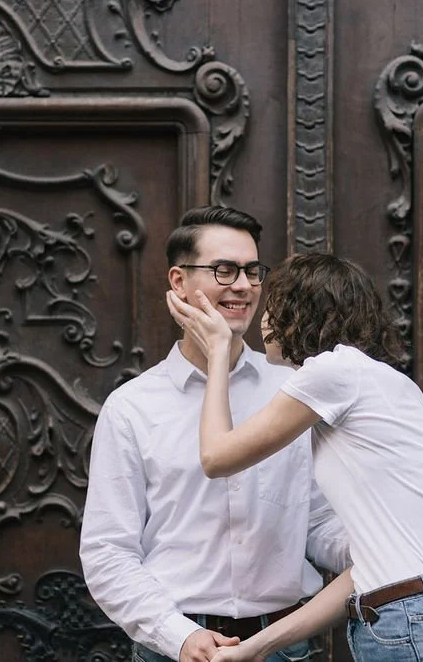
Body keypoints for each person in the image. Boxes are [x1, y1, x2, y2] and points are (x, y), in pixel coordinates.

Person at [167, 252, 423, 662]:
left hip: (411, 624)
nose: (263, 320)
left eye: (273, 306)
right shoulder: (389, 387)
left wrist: (218, 352)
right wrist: (252, 649)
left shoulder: (333, 371)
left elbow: (217, 457)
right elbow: (363, 576)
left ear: (298, 312)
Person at [80, 208, 351, 662]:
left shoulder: (294, 388)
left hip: (285, 645)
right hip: (173, 648)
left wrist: (375, 547)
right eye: (223, 270)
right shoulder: (132, 408)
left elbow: (318, 520)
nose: (243, 286)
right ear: (179, 282)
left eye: (251, 271)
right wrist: (177, 635)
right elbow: (109, 551)